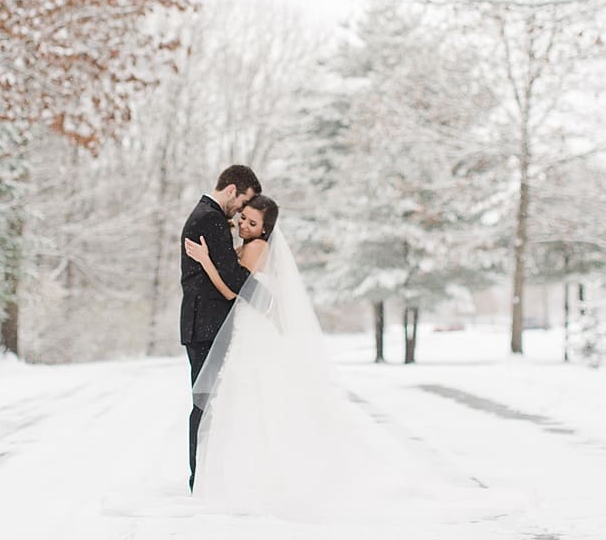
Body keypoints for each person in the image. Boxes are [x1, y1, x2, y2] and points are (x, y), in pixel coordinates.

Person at [183, 197, 515, 524]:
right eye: (243, 218)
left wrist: (206, 259)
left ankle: (257, 478)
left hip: (253, 332)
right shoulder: (249, 244)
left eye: (252, 223)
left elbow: (232, 290)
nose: (244, 225)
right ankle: (251, 474)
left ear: (266, 230)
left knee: (255, 402)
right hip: (249, 331)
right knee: (251, 403)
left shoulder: (257, 248)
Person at [178, 164, 261, 492]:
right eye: (242, 202)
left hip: (205, 324)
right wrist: (267, 300)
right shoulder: (210, 218)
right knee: (206, 401)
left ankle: (208, 476)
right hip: (207, 326)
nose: (240, 210)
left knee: (210, 401)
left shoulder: (207, 215)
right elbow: (229, 275)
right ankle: (201, 480)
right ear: (231, 190)